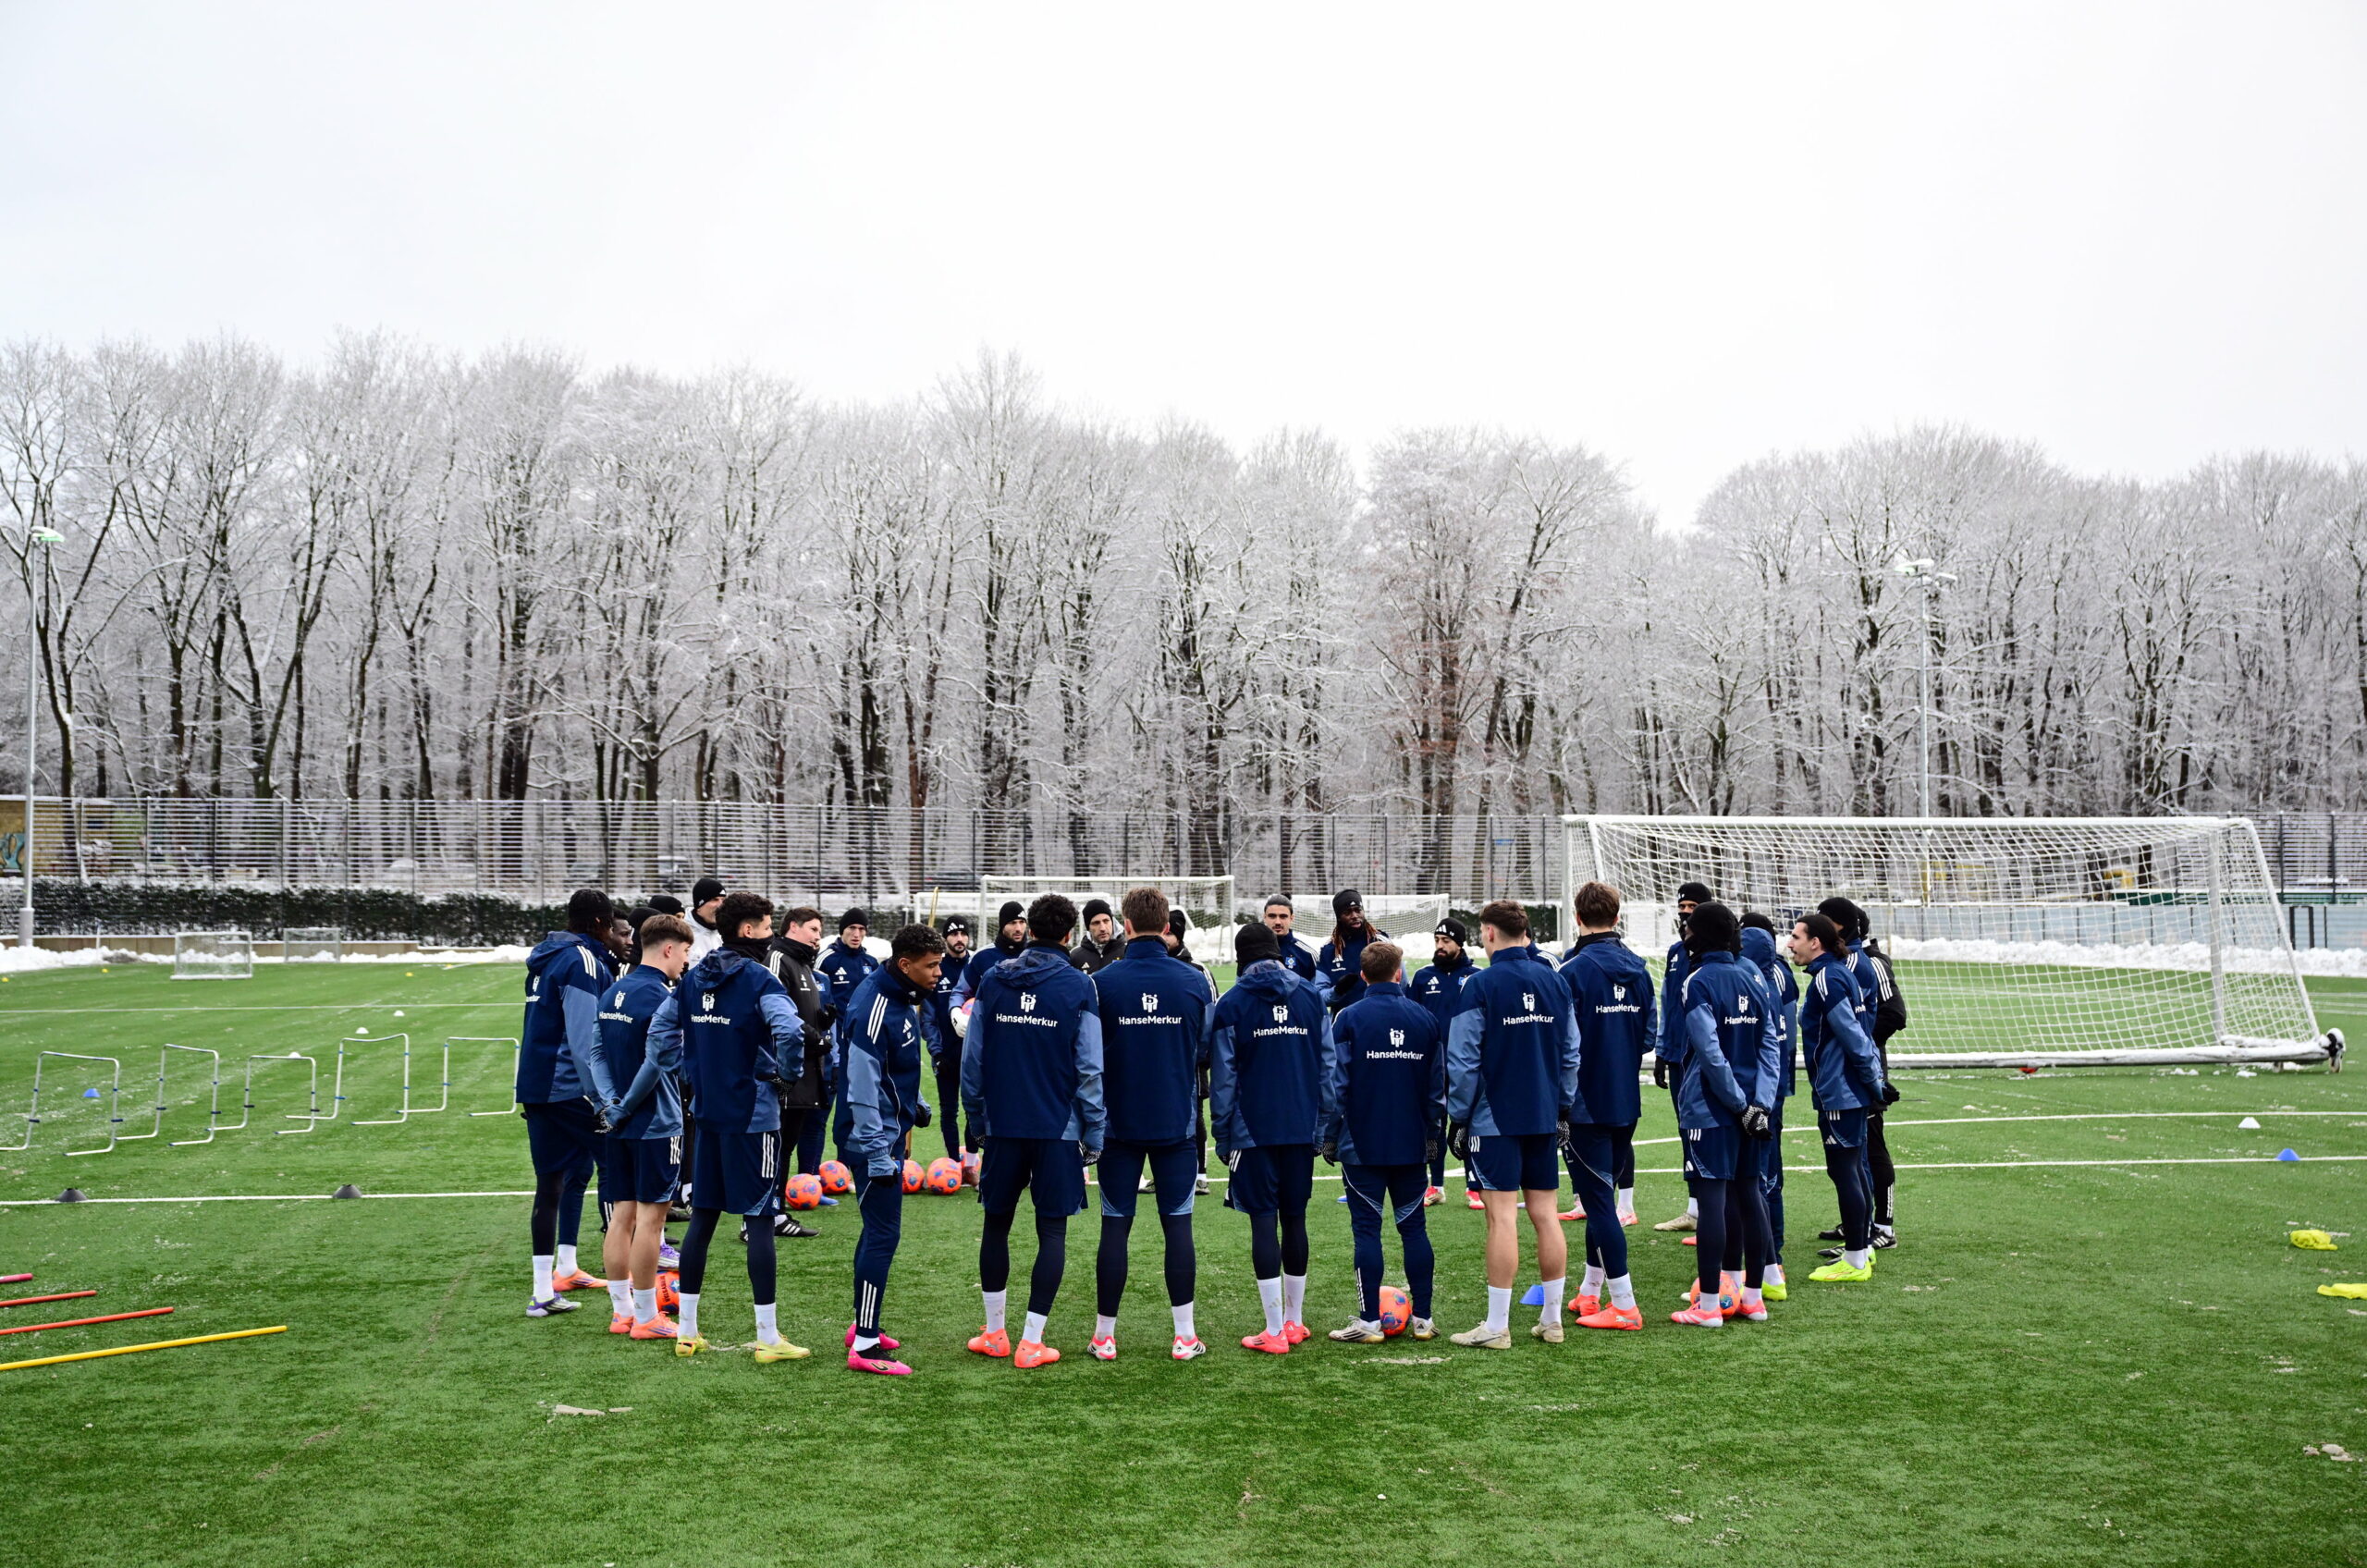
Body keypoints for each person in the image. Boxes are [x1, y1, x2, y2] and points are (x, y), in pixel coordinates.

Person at [658, 890, 809, 1363]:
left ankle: (687, 1332)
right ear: (748, 931)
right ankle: (767, 1337)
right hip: (753, 1117)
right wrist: (786, 1074)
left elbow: (661, 1034)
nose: (771, 936)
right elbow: (789, 1032)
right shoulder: (760, 980)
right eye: (767, 928)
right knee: (760, 1218)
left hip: (707, 1116)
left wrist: (689, 1074)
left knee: (703, 1219)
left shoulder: (692, 976)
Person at [963, 894, 1104, 1370]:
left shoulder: (992, 980)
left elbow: (973, 1061)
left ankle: (994, 1333)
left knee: (996, 1224)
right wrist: (1095, 1130)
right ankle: (1031, 1342)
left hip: (1003, 1126)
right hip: (1057, 1130)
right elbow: (1088, 1069)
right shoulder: (1079, 986)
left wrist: (977, 1119)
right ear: (1069, 934)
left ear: (1030, 928)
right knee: (1052, 1232)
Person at [1087, 886, 1216, 1361]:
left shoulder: (1102, 982)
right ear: (1166, 926)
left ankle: (1105, 1336)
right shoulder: (1195, 981)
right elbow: (1206, 1052)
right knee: (1177, 1228)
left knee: (1114, 1228)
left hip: (1118, 1125)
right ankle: (1184, 1336)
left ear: (1124, 923)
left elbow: (1089, 1054)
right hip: (1176, 1125)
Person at [1444, 900, 1577, 1348]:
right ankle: (1552, 1320)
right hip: (1542, 1114)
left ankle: (1498, 1326)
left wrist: (1460, 1117)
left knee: (1502, 1219)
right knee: (1546, 1215)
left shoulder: (1480, 985)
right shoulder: (1555, 980)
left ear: (1488, 934)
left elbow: (1462, 1060)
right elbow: (1571, 1054)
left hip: (1493, 1118)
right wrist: (1561, 1107)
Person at [1210, 921, 1333, 1354]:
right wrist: (1321, 1126)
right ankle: (1295, 1323)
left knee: (1263, 1222)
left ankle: (1274, 1330)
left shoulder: (1232, 1003)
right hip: (1300, 1127)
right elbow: (1328, 1069)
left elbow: (1224, 1079)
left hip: (1252, 1131)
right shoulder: (1311, 998)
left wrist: (1222, 1135)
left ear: (1243, 959)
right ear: (1276, 952)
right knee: (1295, 1218)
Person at [1662, 902, 1781, 1328]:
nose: (1684, 933)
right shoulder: (1753, 976)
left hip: (1711, 1110)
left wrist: (1738, 1104)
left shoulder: (1698, 981)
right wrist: (1758, 1105)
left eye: (1689, 927)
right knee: (1750, 1196)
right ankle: (1753, 1298)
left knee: (1712, 1202)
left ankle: (1709, 1306)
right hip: (1751, 1108)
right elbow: (1772, 1046)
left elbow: (1709, 1053)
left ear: (1701, 934)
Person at [839, 923, 948, 1375]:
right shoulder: (875, 1007)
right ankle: (864, 1345)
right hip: (873, 1140)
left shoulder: (901, 996)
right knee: (884, 1235)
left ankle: (864, 1323)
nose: (940, 973)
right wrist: (877, 1151)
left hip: (887, 1130)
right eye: (932, 965)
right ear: (905, 965)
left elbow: (892, 1067)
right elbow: (862, 1087)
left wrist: (914, 1103)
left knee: (876, 1230)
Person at [1320, 941, 1441, 1343]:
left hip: (1362, 1145)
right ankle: (1423, 1320)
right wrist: (1432, 1136)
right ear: (1399, 972)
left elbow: (1337, 1086)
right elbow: (1436, 1090)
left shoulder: (1349, 1019)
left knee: (1367, 1232)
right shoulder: (1425, 1018)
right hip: (1410, 1144)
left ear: (1363, 975)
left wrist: (1330, 1137)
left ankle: (1369, 1322)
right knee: (1414, 1229)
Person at [1556, 881, 1656, 1330]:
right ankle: (1590, 1292)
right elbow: (1650, 1037)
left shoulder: (1572, 971)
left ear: (1578, 918)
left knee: (1598, 1203)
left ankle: (1626, 1304)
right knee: (1601, 1197)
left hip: (1585, 1104)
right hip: (1625, 1099)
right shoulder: (1640, 969)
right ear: (1617, 918)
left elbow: (1562, 1044)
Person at [519, 888, 621, 1317]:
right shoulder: (580, 960)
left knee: (559, 1180)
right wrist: (603, 1098)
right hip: (570, 1088)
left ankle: (549, 1286)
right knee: (621, 1173)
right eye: (614, 923)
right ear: (599, 923)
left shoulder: (545, 958)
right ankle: (630, 1301)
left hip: (538, 1088)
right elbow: (583, 1039)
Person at [596, 913, 694, 1339]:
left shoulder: (614, 991)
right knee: (651, 1222)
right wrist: (626, 1107)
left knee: (621, 1217)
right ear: (668, 949)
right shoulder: (663, 997)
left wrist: (610, 1104)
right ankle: (647, 1316)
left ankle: (622, 1314)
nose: (686, 962)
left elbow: (595, 1053)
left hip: (615, 1123)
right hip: (655, 1123)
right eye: (686, 952)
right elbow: (657, 1063)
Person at [1789, 910, 1888, 1283]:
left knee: (1845, 1169)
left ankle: (1856, 1259)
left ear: (1815, 942)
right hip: (1847, 1087)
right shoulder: (1839, 974)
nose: (1790, 943)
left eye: (1796, 937)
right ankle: (1862, 1249)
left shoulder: (1829, 979)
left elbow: (1852, 1035)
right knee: (1852, 1167)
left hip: (1841, 1090)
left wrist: (1873, 1080)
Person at [1818, 896, 1906, 1249]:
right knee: (1850, 1153)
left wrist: (1859, 1046)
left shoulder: (1871, 963)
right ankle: (1858, 1223)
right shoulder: (1839, 963)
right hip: (1846, 1069)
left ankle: (1883, 1227)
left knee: (1871, 1146)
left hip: (1864, 1069)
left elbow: (1894, 1014)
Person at [759, 905, 836, 1219]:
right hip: (784, 1070)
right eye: (814, 930)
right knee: (774, 1146)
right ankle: (765, 1213)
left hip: (807, 1070)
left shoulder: (804, 964)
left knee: (787, 1144)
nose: (818, 937)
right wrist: (814, 1038)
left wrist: (822, 1023)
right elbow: (776, 1014)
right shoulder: (778, 959)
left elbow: (798, 1014)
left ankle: (775, 1211)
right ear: (793, 926)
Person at [1739, 911, 1799, 1298]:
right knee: (1765, 1177)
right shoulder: (1772, 977)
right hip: (1771, 1089)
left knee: (1755, 1180)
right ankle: (1768, 1261)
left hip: (1758, 1092)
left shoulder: (1761, 982)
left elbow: (1772, 1044)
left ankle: (1766, 1264)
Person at [1652, 879, 1715, 1232]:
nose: (1685, 913)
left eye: (1692, 907)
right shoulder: (1676, 953)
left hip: (1705, 1060)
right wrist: (1663, 1051)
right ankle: (1694, 1210)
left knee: (1710, 1132)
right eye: (1682, 907)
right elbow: (1668, 1004)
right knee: (1686, 1131)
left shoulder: (1720, 954)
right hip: (1678, 1056)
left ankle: (1714, 1210)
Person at [1410, 918, 1478, 1207]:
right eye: (1437, 940)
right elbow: (1411, 1017)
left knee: (1470, 1124)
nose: (1440, 946)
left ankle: (1474, 1186)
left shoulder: (1476, 977)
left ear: (1459, 943)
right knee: (1433, 1124)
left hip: (1467, 1065)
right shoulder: (1423, 977)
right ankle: (1435, 1186)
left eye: (1446, 941)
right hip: (1431, 1064)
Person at [928, 917, 974, 1162]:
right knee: (949, 1111)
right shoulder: (937, 967)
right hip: (946, 1053)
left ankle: (969, 1163)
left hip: (972, 1053)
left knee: (973, 1109)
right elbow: (929, 1017)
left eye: (963, 934)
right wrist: (936, 1052)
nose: (959, 939)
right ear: (946, 938)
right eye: (954, 935)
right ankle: (952, 1162)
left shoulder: (975, 966)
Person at [1315, 889, 1388, 1014]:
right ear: (1338, 917)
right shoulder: (1329, 950)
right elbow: (1319, 995)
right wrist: (1337, 991)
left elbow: (1400, 982)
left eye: (1358, 910)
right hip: (1344, 1025)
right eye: (1347, 912)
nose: (1354, 916)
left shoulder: (1381, 942)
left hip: (1378, 1019)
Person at [816, 907, 879, 1000]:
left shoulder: (871, 962)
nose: (856, 934)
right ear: (842, 931)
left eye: (861, 929)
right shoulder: (825, 959)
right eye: (852, 928)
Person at [1262, 895, 1319, 981]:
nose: (1277, 922)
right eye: (1272, 916)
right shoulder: (1252, 952)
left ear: (1292, 918)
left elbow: (1318, 991)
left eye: (1283, 916)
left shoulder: (1308, 955)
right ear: (1265, 917)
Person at [1072, 898, 1125, 974]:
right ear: (1088, 928)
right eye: (1096, 923)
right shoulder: (1075, 956)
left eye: (1106, 921)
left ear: (1112, 922)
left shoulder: (1127, 952)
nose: (1102, 928)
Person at [688, 876, 725, 962]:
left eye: (723, 900)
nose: (720, 905)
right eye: (714, 900)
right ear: (699, 906)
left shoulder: (726, 934)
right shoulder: (682, 934)